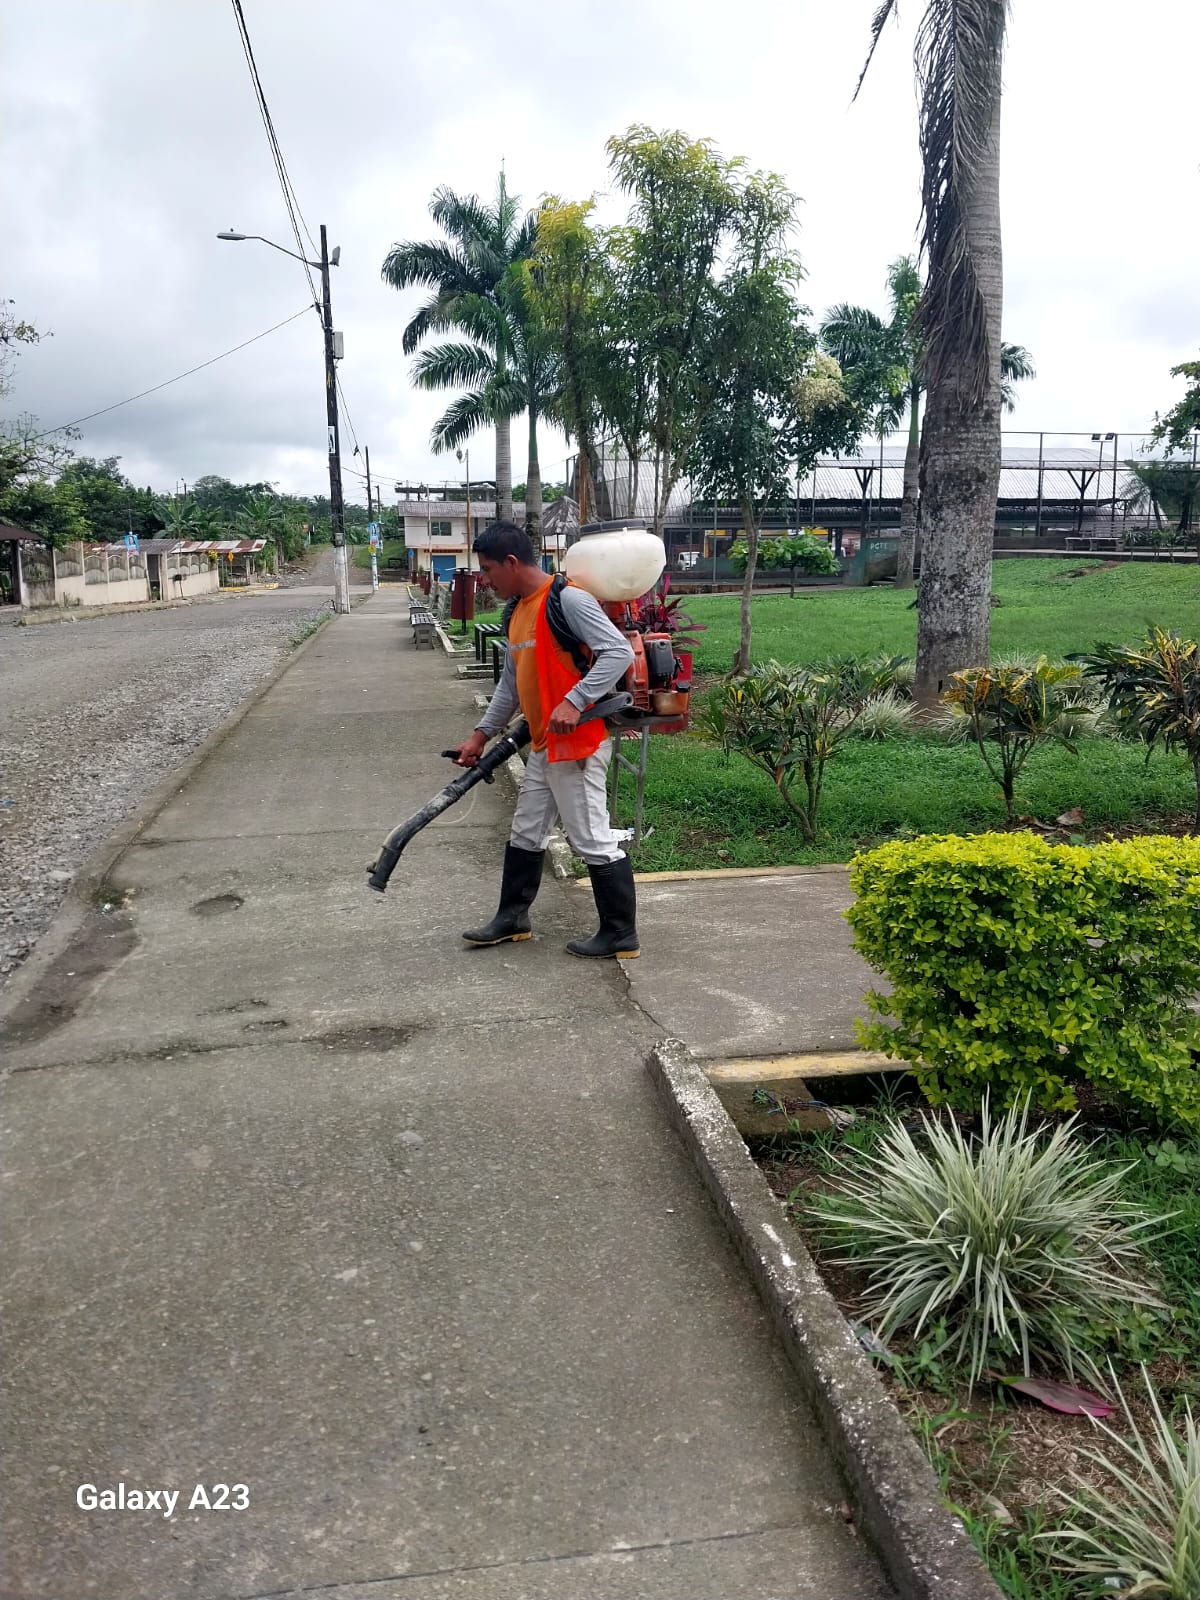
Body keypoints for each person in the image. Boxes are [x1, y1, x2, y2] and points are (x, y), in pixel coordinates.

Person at [452, 522, 640, 959]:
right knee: (527, 831)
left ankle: (620, 934)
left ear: (511, 563)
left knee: (591, 838)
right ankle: (512, 919)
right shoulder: (518, 612)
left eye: (488, 569)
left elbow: (617, 652)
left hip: (578, 744)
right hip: (543, 744)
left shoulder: (567, 599)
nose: (484, 580)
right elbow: (510, 685)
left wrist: (575, 700)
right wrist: (480, 735)